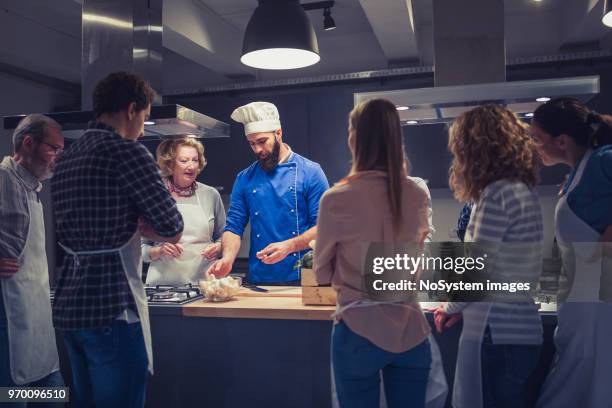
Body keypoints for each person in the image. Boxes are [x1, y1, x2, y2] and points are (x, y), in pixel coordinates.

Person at [51, 71, 183, 408]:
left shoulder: (66, 158)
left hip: (70, 309)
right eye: (144, 118)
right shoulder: (128, 152)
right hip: (113, 310)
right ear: (130, 109)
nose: (142, 129)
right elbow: (171, 226)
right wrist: (142, 226)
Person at [314, 98, 439, 408]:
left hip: (357, 331)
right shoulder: (417, 193)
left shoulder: (336, 198)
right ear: (396, 138)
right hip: (410, 329)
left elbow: (322, 274)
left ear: (355, 137)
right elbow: (416, 264)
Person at [434, 104, 544, 408]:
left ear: (474, 149)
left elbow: (475, 270)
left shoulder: (495, 194)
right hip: (522, 333)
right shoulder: (523, 190)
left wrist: (450, 305)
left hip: (496, 335)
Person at [530, 98, 612, 408]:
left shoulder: (602, 160)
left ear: (561, 141)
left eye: (537, 139)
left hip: (600, 310)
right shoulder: (578, 173)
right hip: (580, 307)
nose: (534, 146)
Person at [210, 101, 329, 284]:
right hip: (260, 278)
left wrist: (289, 246)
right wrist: (227, 258)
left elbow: (324, 228)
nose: (258, 149)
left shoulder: (311, 172)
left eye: (262, 141)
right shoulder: (244, 178)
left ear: (278, 133)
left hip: (305, 278)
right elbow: (234, 226)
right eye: (251, 144)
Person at [0, 114, 65, 406]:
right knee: (11, 399)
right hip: (8, 318)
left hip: (37, 318)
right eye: (53, 149)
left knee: (52, 397)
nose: (56, 157)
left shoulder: (33, 188)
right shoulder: (2, 178)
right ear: (29, 143)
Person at [143, 137, 226, 286]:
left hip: (205, 284)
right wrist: (159, 251)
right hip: (163, 286)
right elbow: (139, 248)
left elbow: (224, 236)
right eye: (184, 160)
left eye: (195, 160)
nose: (191, 166)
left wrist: (219, 247)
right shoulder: (154, 195)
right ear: (170, 164)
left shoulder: (210, 194)